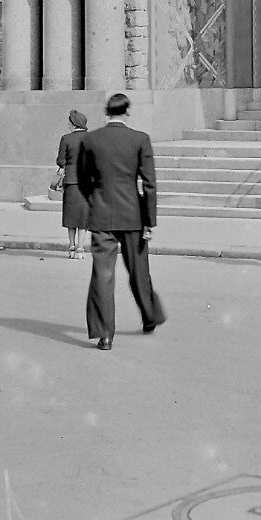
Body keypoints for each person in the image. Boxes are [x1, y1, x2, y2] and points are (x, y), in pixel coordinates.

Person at [75, 92, 167, 350]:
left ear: (107, 113)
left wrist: (95, 199)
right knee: (139, 272)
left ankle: (105, 335)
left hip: (102, 215)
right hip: (133, 216)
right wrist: (150, 221)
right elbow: (149, 184)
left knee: (103, 276)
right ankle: (150, 316)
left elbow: (82, 177)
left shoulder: (91, 139)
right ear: (127, 111)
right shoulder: (139, 139)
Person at [56, 110, 91, 258]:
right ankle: (80, 248)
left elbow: (60, 160)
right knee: (83, 216)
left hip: (71, 180)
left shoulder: (66, 138)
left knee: (71, 215)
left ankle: (71, 246)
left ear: (73, 123)